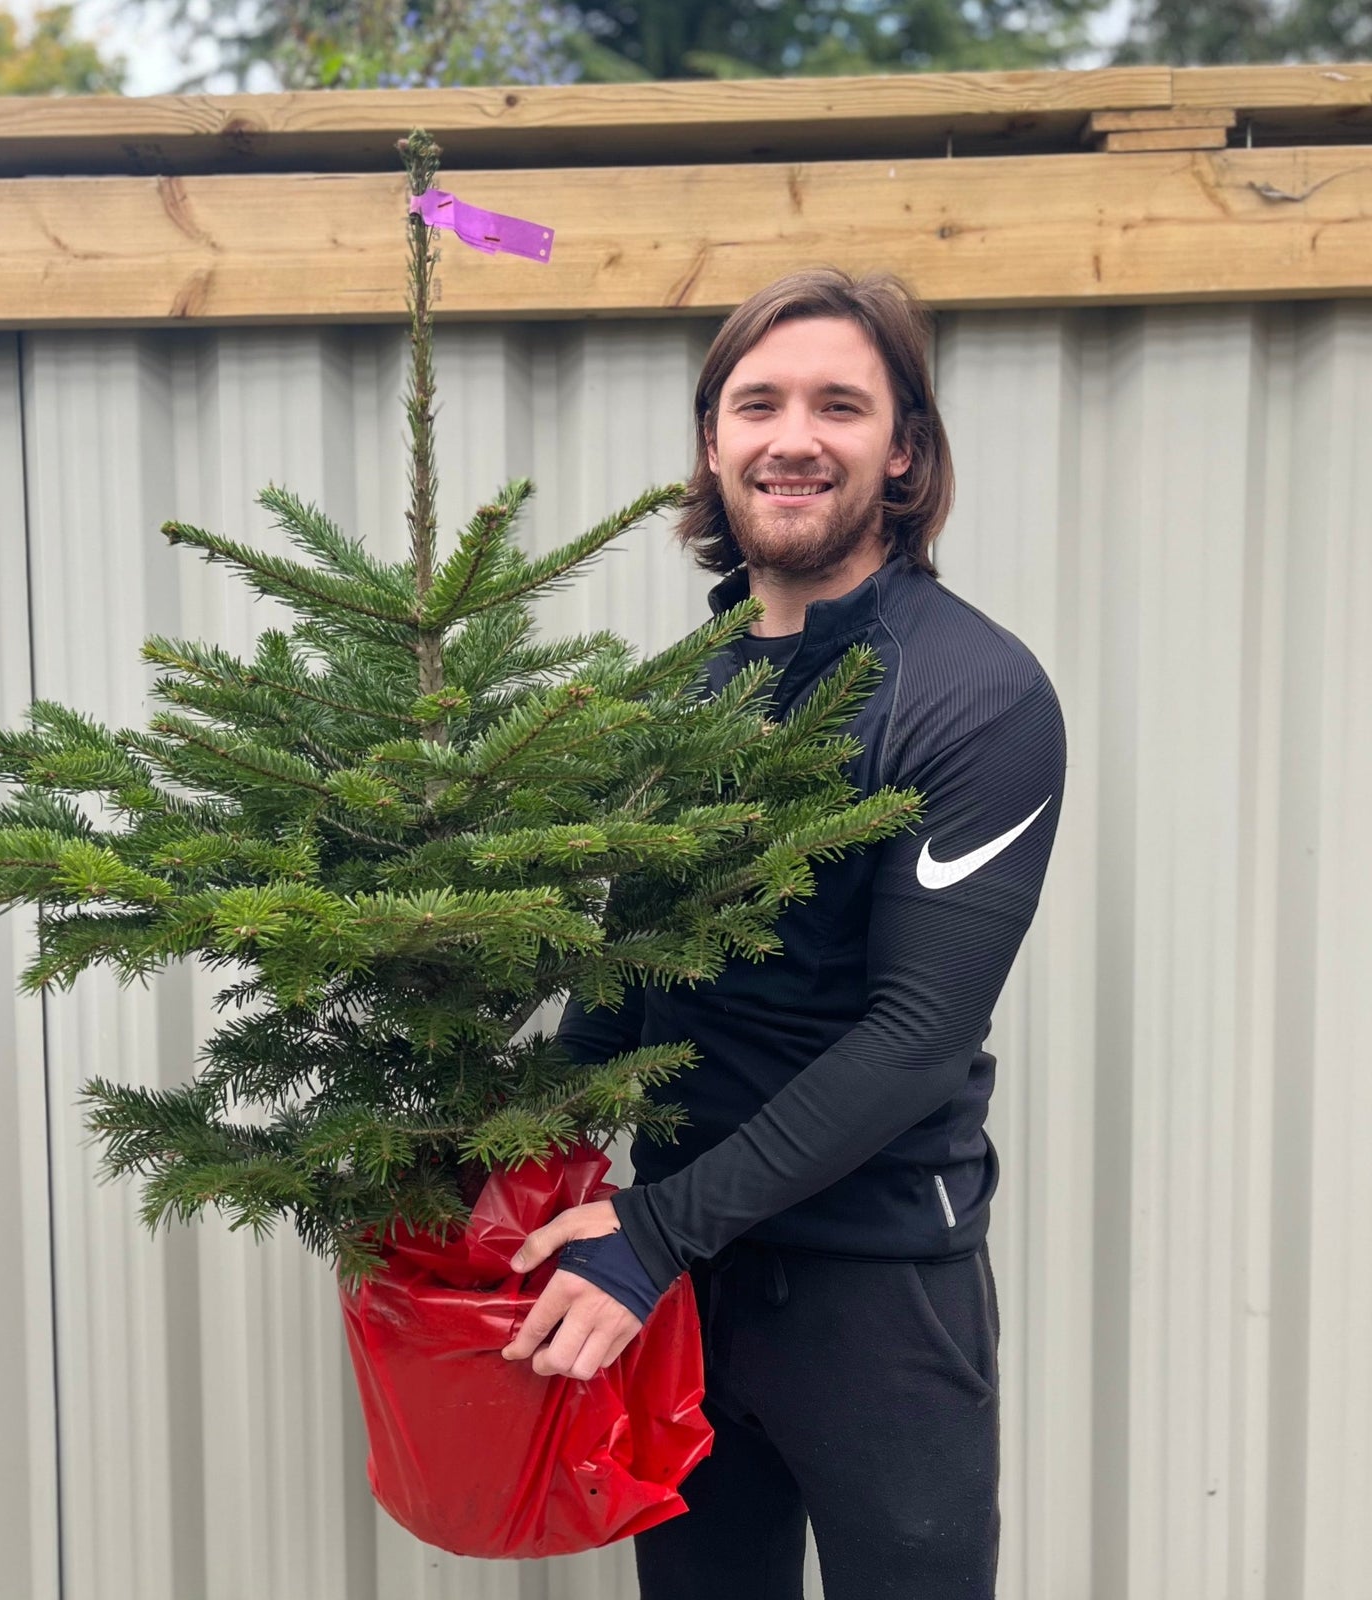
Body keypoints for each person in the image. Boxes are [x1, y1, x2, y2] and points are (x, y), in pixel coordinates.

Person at [499, 268, 1066, 1598]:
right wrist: (536, 1152)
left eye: (839, 405)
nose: (792, 437)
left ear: (905, 447)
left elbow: (918, 1038)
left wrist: (656, 1233)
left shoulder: (977, 695)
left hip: (877, 1300)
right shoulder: (687, 692)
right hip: (683, 1297)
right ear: (713, 443)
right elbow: (628, 982)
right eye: (756, 403)